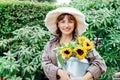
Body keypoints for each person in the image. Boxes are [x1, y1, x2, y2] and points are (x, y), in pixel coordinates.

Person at [42, 7, 107, 80]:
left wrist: (84, 78)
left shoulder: (83, 43)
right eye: (62, 22)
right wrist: (59, 72)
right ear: (58, 24)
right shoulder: (51, 44)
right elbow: (45, 63)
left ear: (75, 24)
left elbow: (100, 63)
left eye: (70, 21)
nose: (66, 25)